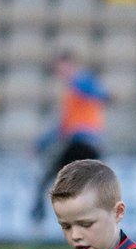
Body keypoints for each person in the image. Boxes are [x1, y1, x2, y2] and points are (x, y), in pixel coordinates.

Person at [31, 51, 110, 222]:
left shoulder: (80, 81)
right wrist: (41, 144)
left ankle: (40, 217)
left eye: (61, 67)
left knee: (56, 180)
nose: (59, 71)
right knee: (60, 182)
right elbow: (62, 126)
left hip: (85, 143)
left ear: (69, 64)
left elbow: (97, 92)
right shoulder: (71, 94)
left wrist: (104, 95)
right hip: (79, 143)